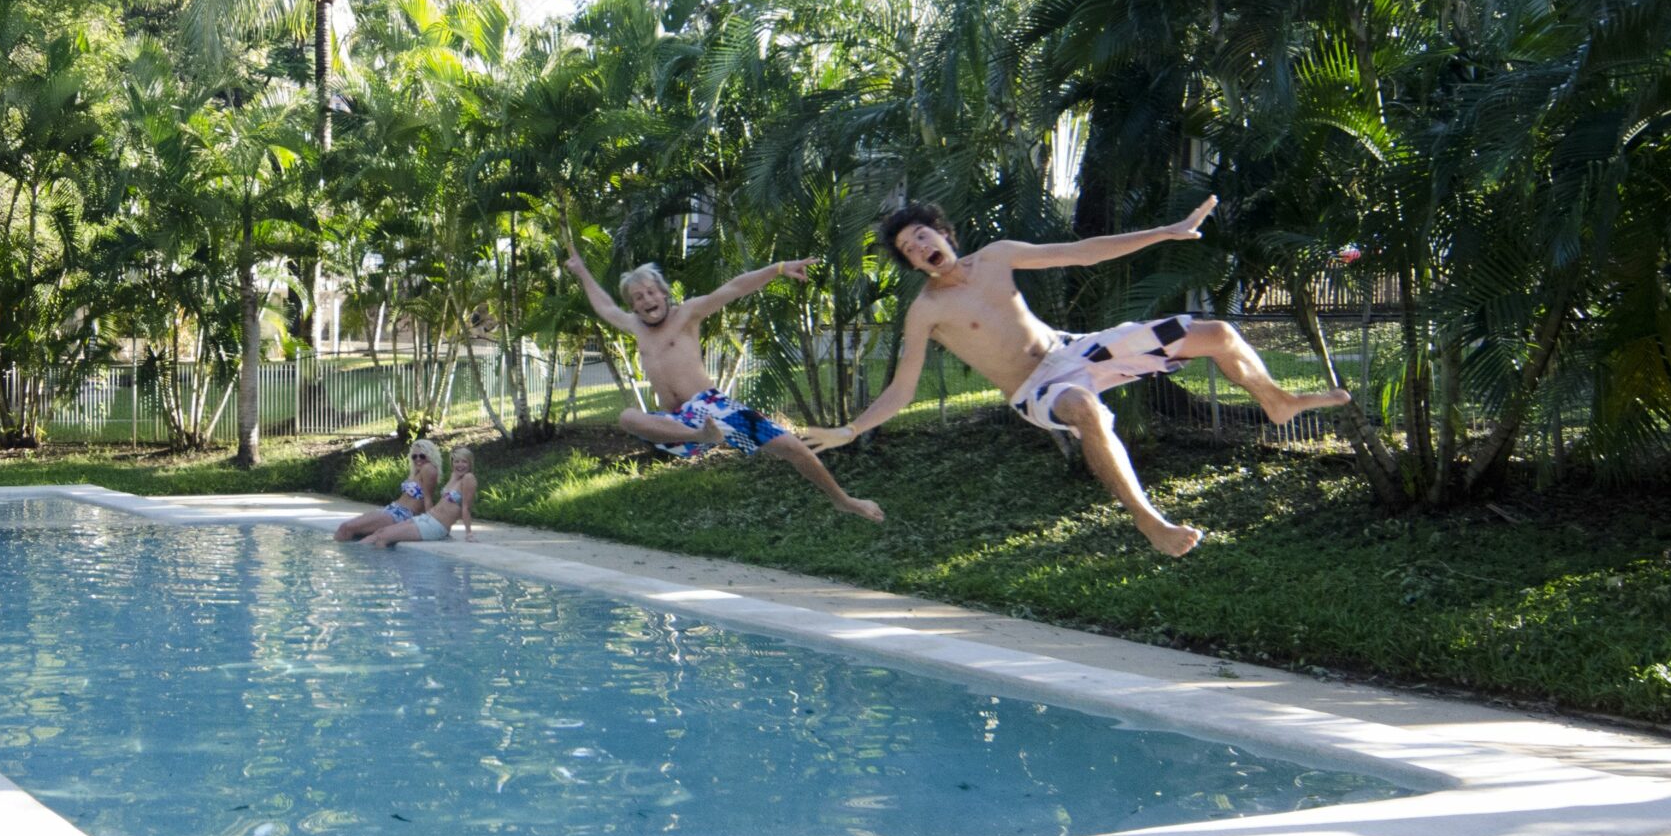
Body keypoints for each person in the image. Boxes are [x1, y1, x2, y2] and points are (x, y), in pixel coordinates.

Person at [801, 197, 1348, 557]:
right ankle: (1149, 520)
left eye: (923, 236)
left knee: (1217, 334)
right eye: (909, 250)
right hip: (1034, 388)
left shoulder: (999, 256)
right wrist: (851, 430)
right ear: (914, 266)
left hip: (1074, 349)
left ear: (943, 235)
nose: (921, 248)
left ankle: (1275, 400)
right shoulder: (925, 312)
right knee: (1084, 410)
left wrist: (1169, 230)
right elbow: (903, 388)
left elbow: (1083, 253)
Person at [562, 219, 883, 525]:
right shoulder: (635, 326)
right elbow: (604, 306)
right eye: (638, 297)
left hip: (713, 407)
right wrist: (580, 271)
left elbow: (733, 288)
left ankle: (843, 499)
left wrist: (779, 268)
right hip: (676, 425)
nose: (646, 300)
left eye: (650, 292)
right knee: (629, 418)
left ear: (663, 293)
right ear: (633, 307)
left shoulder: (687, 314)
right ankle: (700, 436)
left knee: (792, 448)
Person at [367, 445, 479, 546]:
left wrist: (468, 533)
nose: (460, 465)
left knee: (384, 537)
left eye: (464, 462)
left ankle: (381, 565)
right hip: (427, 518)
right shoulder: (454, 477)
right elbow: (444, 504)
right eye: (456, 461)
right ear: (452, 463)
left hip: (436, 526)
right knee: (380, 531)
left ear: (470, 463)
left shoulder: (469, 478)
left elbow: (466, 508)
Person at [335, 440, 443, 542]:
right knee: (357, 536)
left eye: (422, 456)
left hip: (401, 514)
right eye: (414, 456)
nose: (417, 459)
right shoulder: (418, 471)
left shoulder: (428, 468)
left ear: (430, 455)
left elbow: (428, 498)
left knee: (345, 528)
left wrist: (432, 524)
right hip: (392, 510)